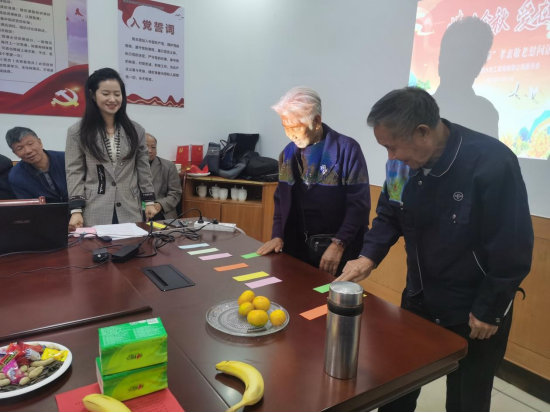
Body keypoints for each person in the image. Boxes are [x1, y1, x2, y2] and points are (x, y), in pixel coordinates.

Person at [336, 87, 534, 411]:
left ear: (423, 132)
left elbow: (512, 246)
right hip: (420, 297)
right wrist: (367, 256)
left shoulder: (492, 163)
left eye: (392, 147)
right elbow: (389, 214)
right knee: (396, 387)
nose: (390, 158)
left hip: (473, 307)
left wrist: (490, 309)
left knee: (466, 400)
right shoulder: (401, 166)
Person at [257, 87, 370, 276]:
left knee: (328, 293)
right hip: (296, 247)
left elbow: (359, 206)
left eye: (295, 127)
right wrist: (277, 235)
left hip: (336, 249)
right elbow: (281, 201)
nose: (290, 134)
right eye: (285, 126)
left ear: (316, 121)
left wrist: (339, 244)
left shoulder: (347, 150)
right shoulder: (287, 154)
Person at [65, 68, 156, 229]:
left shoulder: (136, 130)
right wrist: (76, 210)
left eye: (117, 94)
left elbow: (143, 168)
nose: (113, 99)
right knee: (97, 245)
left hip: (130, 207)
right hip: (95, 208)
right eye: (106, 94)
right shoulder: (77, 132)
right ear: (93, 95)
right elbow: (74, 171)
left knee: (131, 244)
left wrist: (149, 201)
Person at [5, 127, 68, 202]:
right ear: (15, 153)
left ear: (40, 142)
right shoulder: (16, 176)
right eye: (20, 148)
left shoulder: (66, 159)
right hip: (45, 209)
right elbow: (30, 206)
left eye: (30, 144)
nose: (28, 151)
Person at [145, 133, 182, 220]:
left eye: (153, 147)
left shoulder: (168, 166)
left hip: (161, 212)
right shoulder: (129, 167)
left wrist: (160, 205)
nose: (150, 150)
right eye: (146, 147)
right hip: (136, 212)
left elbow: (175, 193)